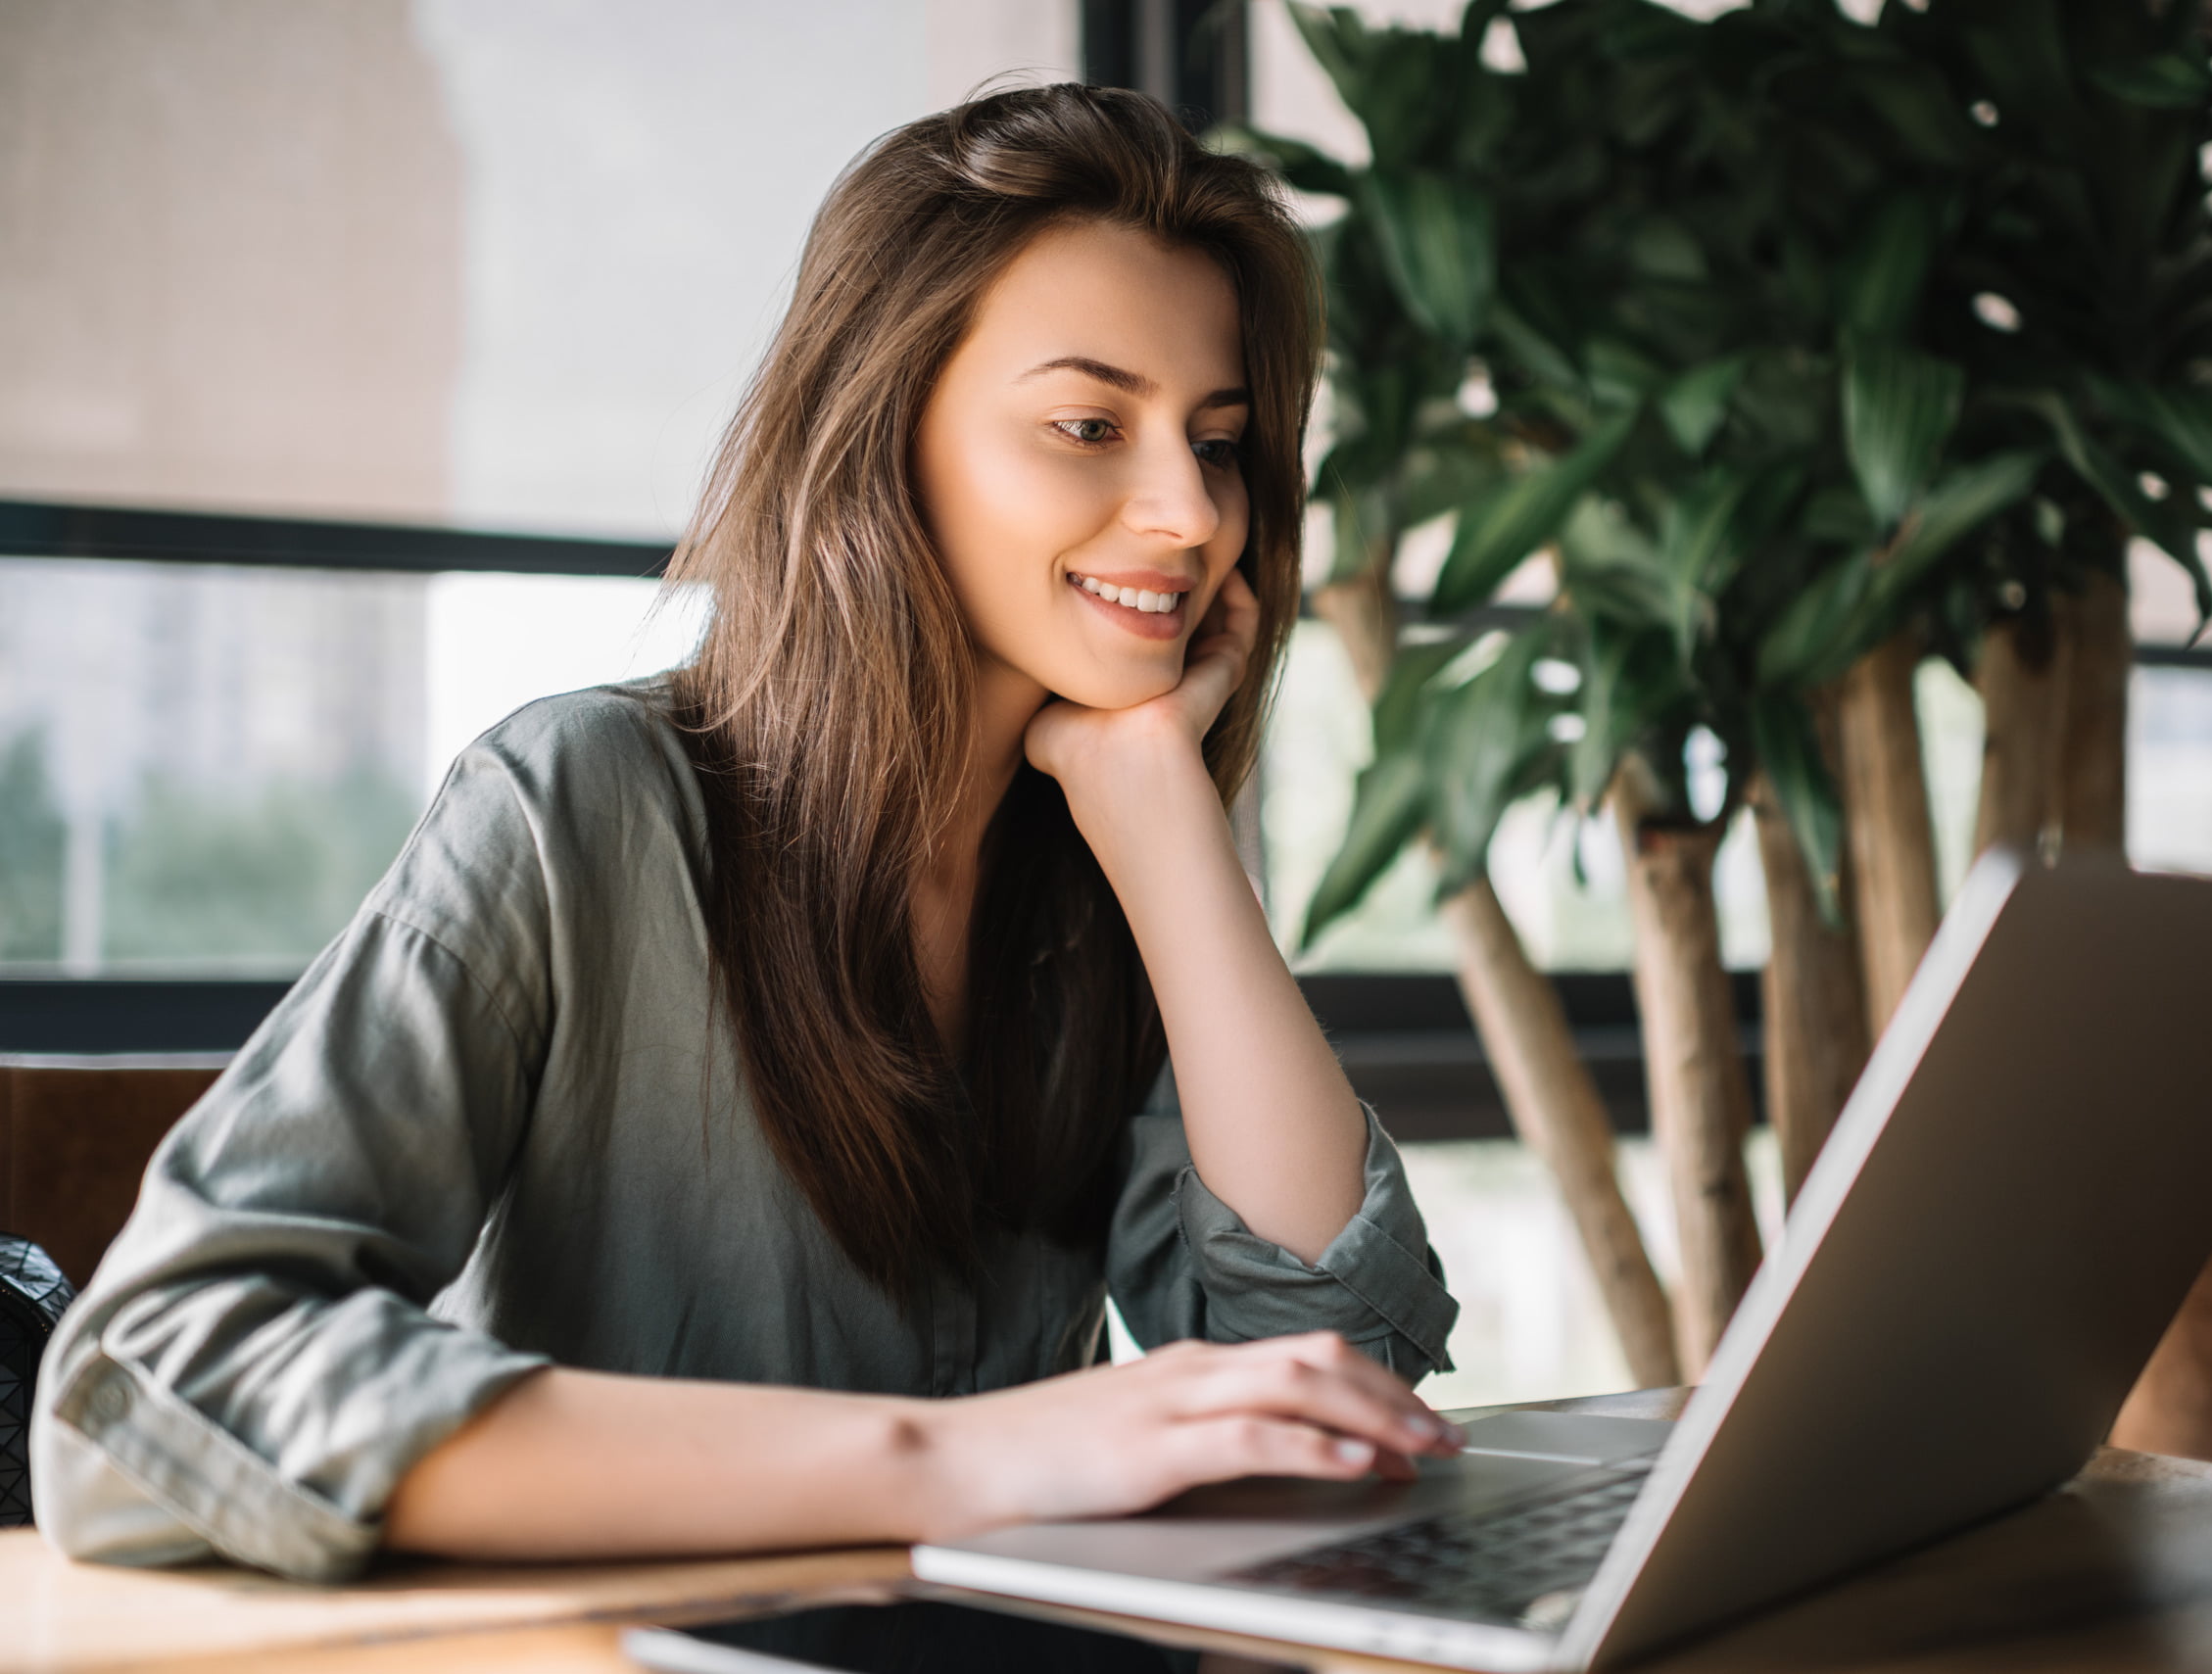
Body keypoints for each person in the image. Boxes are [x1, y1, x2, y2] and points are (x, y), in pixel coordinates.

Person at [33, 84, 1461, 1583]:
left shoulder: (1098, 869)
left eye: (1219, 442)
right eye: (1088, 424)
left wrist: (1169, 825)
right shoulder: (578, 804)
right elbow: (152, 1373)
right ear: (882, 436)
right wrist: (949, 1461)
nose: (1188, 513)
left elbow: (1334, 1380)